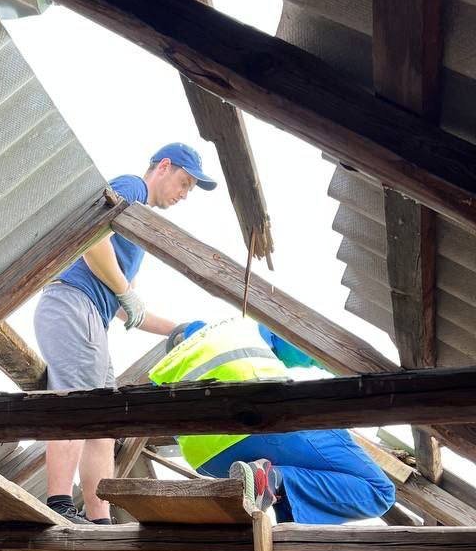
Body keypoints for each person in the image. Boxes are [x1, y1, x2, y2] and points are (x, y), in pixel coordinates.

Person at [34, 143, 217, 524]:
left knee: (105, 422)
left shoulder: (138, 230)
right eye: (184, 183)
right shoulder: (132, 189)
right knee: (76, 405)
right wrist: (125, 291)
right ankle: (59, 504)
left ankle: (100, 519)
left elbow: (126, 309)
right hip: (73, 301)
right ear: (164, 166)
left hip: (95, 316)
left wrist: (180, 329)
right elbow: (91, 242)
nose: (184, 195)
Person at [147, 316, 396, 523]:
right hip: (268, 421)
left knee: (270, 484)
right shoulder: (239, 324)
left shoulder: (162, 371)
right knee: (379, 491)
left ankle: (272, 493)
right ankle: (271, 479)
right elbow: (310, 350)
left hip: (209, 459)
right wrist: (367, 386)